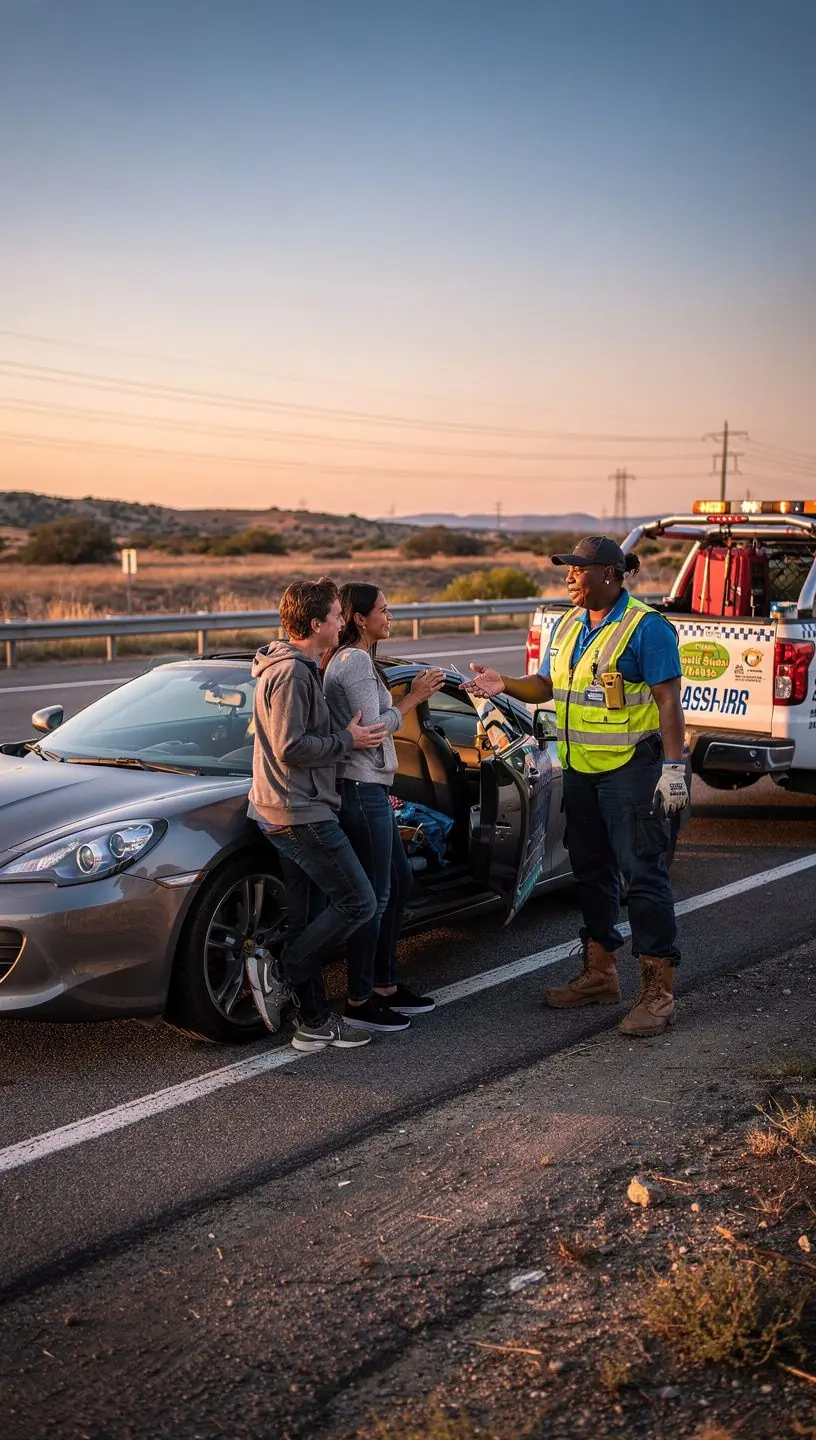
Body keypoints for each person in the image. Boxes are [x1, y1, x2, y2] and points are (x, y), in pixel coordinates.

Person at [464, 536, 689, 1038]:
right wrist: (505, 685)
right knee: (590, 872)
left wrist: (673, 770)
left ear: (609, 573)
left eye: (577, 568)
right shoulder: (567, 624)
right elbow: (546, 685)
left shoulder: (646, 628)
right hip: (581, 770)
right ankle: (601, 974)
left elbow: (668, 703)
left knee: (643, 877)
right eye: (567, 568)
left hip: (631, 770)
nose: (568, 576)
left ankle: (659, 994)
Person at [246, 577, 390, 1053]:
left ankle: (314, 1023)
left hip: (285, 806)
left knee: (305, 915)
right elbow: (290, 747)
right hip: (299, 810)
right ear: (314, 624)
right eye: (335, 616)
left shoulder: (291, 667)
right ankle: (283, 968)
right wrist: (348, 740)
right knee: (360, 903)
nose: (341, 622)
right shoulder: (291, 673)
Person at [323, 583, 446, 1032]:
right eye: (383, 610)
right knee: (374, 897)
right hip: (360, 788)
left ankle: (386, 985)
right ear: (360, 618)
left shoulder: (357, 661)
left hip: (370, 787)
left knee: (398, 882)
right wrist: (413, 697)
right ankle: (359, 1001)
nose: (389, 616)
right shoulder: (354, 661)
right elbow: (373, 729)